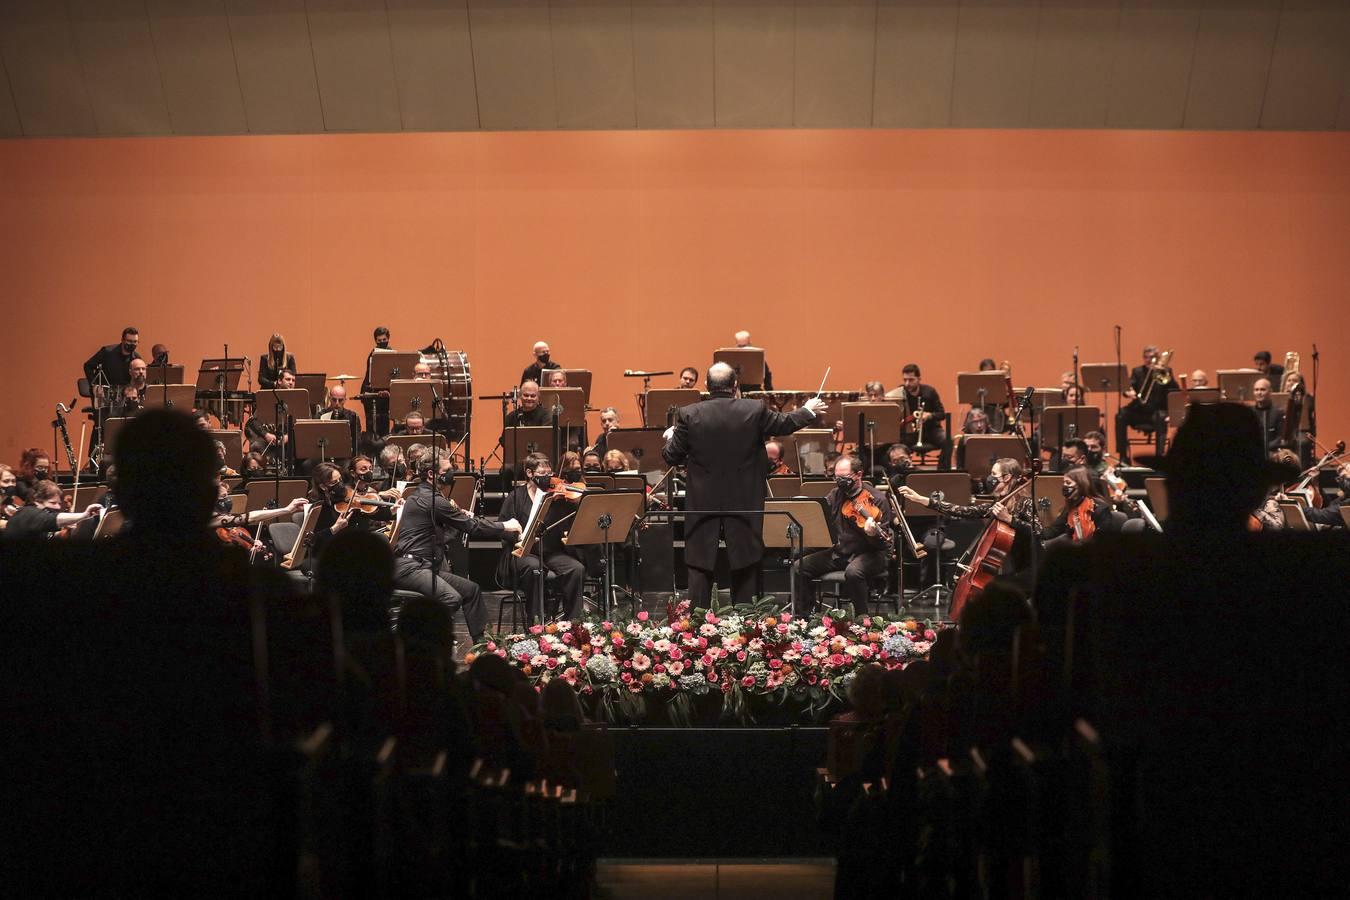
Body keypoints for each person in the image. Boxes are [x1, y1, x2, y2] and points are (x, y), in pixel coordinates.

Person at [662, 362, 824, 607]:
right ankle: (746, 627)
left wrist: (672, 437)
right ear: (735, 385)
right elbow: (784, 424)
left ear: (706, 386)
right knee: (746, 560)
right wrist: (807, 410)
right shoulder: (754, 409)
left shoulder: (688, 414)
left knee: (699, 561)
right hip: (745, 500)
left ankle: (695, 629)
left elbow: (671, 456)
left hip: (702, 502)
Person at [394, 449, 520, 644]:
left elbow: (451, 530)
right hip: (411, 568)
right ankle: (418, 641)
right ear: (432, 474)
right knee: (451, 598)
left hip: (424, 566)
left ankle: (485, 644)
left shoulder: (425, 496)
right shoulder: (433, 500)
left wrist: (459, 518)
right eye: (448, 469)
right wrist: (505, 525)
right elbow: (473, 527)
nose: (453, 473)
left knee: (471, 590)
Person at [898, 457, 1041, 579]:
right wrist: (921, 499)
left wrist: (1009, 519)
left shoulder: (1025, 502)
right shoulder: (997, 504)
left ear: (1007, 477)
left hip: (1025, 567)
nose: (989, 478)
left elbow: (1039, 531)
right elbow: (961, 510)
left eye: (993, 474)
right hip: (1006, 566)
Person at [791, 454, 890, 618]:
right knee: (798, 567)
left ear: (858, 474)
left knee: (853, 572)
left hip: (870, 553)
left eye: (844, 477)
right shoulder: (836, 494)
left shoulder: (877, 499)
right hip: (840, 551)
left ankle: (861, 619)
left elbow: (881, 544)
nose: (839, 481)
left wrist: (872, 534)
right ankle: (804, 618)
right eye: (836, 477)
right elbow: (822, 515)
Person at [496, 452, 586, 620]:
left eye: (549, 474)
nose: (548, 478)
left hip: (551, 552)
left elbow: (568, 522)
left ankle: (572, 623)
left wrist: (571, 505)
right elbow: (502, 530)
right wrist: (519, 536)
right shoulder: (516, 497)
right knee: (534, 569)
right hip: (524, 552)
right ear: (530, 473)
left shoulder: (556, 496)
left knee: (576, 569)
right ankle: (536, 623)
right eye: (542, 474)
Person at [1115, 344, 1174, 463]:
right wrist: (1128, 392)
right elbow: (1129, 387)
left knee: (1161, 417)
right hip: (1139, 410)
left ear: (1158, 358)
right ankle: (1123, 456)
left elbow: (1174, 389)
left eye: (1152, 357)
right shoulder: (1137, 371)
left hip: (1157, 411)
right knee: (1121, 415)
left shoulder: (1166, 371)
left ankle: (1159, 457)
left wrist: (1164, 373)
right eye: (1146, 357)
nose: (1149, 360)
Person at [3, 480, 102, 540]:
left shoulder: (36, 517)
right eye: (52, 503)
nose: (58, 507)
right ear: (36, 500)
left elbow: (46, 536)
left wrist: (66, 530)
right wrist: (84, 515)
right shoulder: (28, 513)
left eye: (59, 503)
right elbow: (50, 519)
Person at [1040, 466, 1113, 548]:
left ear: (1081, 485)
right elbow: (1054, 530)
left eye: (1068, 483)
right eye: (1064, 483)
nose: (1064, 486)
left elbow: (1103, 542)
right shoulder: (1071, 506)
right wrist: (1034, 532)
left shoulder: (1100, 509)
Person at [897, 363, 952, 470]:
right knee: (896, 443)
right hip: (910, 432)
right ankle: (905, 472)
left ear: (919, 379)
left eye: (911, 380)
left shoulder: (930, 392)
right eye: (905, 380)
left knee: (948, 440)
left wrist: (929, 415)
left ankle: (942, 471)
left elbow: (941, 414)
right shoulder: (900, 392)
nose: (907, 383)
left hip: (931, 430)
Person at [83, 326, 141, 392]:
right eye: (129, 341)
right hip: (103, 393)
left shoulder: (137, 358)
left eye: (135, 342)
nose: (132, 344)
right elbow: (88, 366)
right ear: (122, 340)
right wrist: (95, 386)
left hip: (125, 394)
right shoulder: (107, 352)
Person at [360, 326, 393, 436]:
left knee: (384, 424)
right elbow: (373, 377)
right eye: (379, 341)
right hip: (372, 393)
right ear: (375, 341)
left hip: (385, 394)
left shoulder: (392, 354)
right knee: (372, 427)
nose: (382, 342)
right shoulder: (373, 355)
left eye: (384, 340)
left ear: (388, 339)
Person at [318, 384, 360, 458]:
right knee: (307, 465)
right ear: (329, 399)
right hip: (324, 454)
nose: (337, 403)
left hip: (344, 455)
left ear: (345, 399)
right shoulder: (321, 415)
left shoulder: (352, 416)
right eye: (334, 400)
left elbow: (356, 440)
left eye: (340, 400)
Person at [1251, 377, 1285, 453]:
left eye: (1262, 389)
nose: (1259, 392)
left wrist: (1265, 448)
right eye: (1256, 390)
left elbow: (1280, 437)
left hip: (1273, 452)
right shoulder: (1249, 412)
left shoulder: (1279, 413)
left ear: (1270, 392)